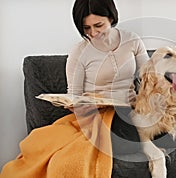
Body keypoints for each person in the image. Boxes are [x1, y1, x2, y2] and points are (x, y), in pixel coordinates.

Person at [0, 0, 149, 177]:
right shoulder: (79, 52)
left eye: (98, 25)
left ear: (111, 17)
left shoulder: (132, 41)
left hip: (129, 110)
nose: (93, 33)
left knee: (140, 129)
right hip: (95, 116)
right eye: (86, 28)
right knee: (58, 158)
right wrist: (78, 105)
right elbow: (74, 96)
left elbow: (149, 79)